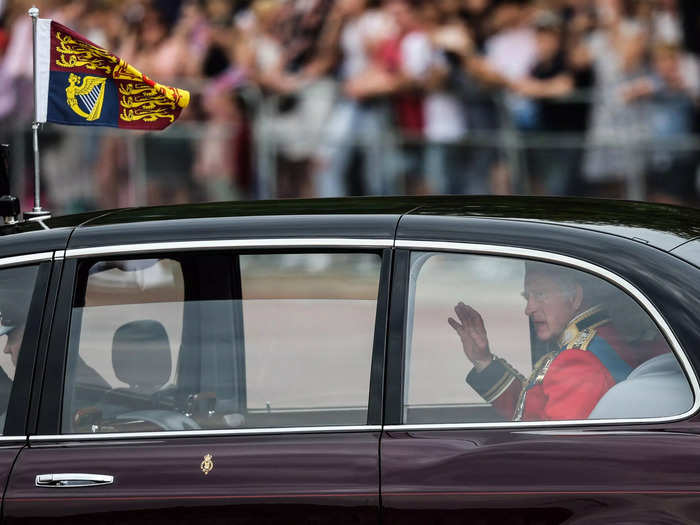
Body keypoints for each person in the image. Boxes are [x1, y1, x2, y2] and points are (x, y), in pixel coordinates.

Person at [448, 261, 666, 422]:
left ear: (574, 298)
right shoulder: (597, 340)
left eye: (540, 294)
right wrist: (483, 360)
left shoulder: (579, 361)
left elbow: (553, 449)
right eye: (528, 297)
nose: (529, 308)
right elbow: (533, 409)